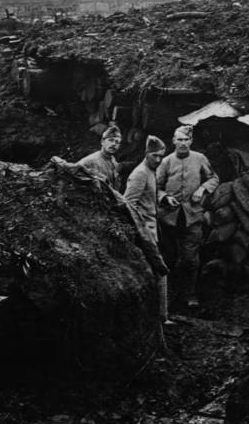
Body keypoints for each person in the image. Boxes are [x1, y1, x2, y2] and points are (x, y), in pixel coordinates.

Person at [156, 125, 220, 308]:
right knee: (167, 256)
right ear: (173, 141)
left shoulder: (200, 159)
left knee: (191, 259)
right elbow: (155, 186)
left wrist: (202, 188)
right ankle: (166, 295)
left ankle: (190, 294)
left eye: (186, 140)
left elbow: (214, 178)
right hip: (168, 218)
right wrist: (165, 197)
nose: (183, 143)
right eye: (179, 139)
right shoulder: (166, 162)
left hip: (192, 216)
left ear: (191, 141)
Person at [124, 134, 170, 323]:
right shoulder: (140, 173)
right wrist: (140, 232)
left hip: (152, 227)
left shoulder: (152, 171)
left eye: (161, 156)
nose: (158, 160)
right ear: (146, 154)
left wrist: (164, 199)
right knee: (159, 272)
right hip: (144, 232)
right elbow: (128, 203)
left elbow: (151, 195)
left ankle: (160, 316)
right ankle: (160, 317)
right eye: (155, 156)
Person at [74, 125, 125, 190]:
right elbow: (73, 174)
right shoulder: (89, 161)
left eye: (117, 142)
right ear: (102, 142)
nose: (114, 144)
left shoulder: (113, 161)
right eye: (111, 140)